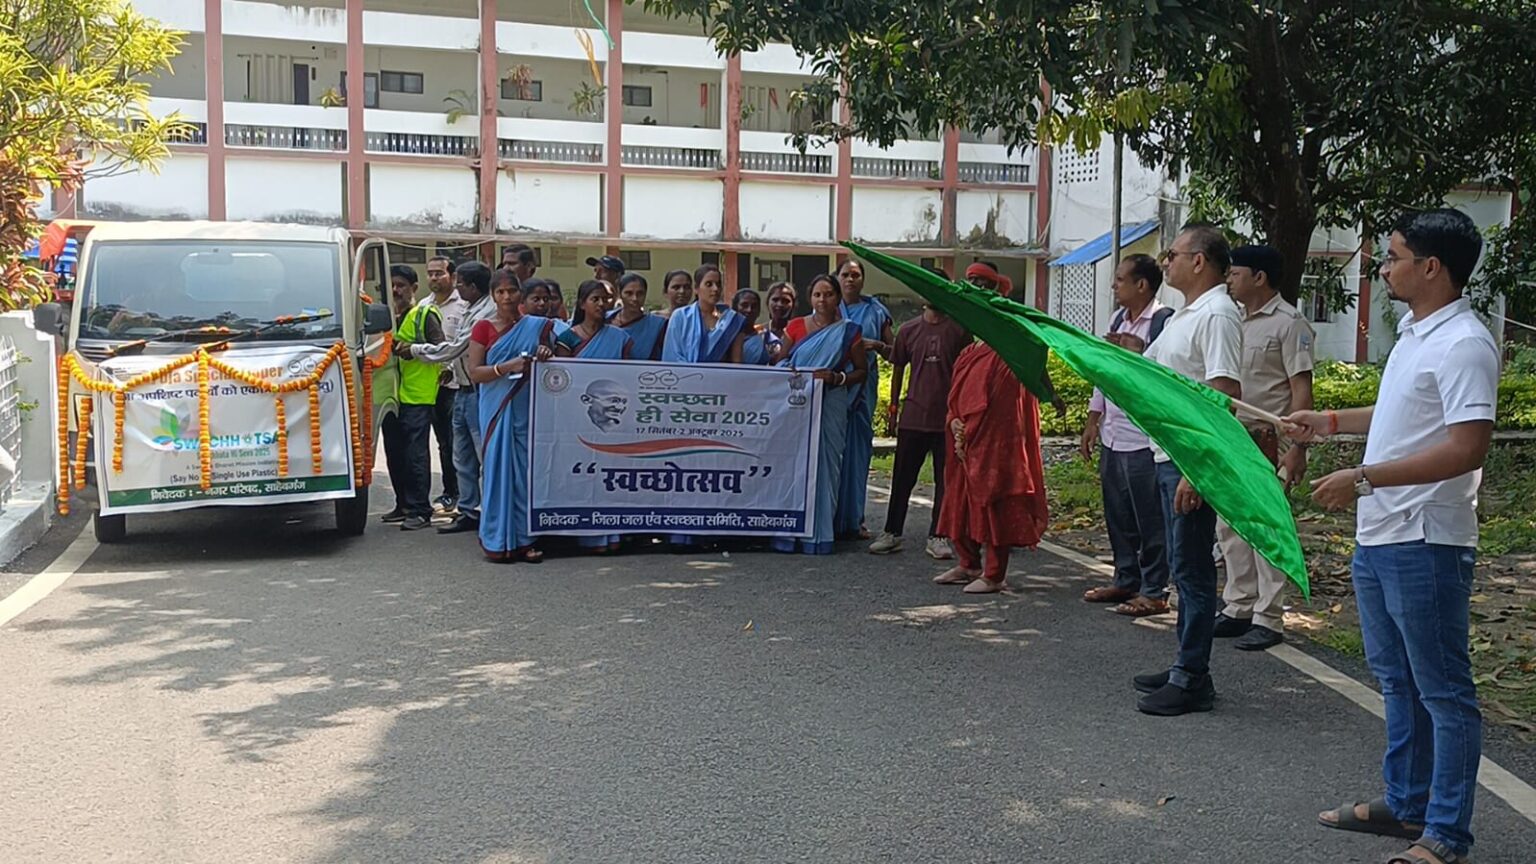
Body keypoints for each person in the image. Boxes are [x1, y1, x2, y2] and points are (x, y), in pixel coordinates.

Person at [1287, 209, 1494, 864]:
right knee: (1398, 681)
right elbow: (1404, 411)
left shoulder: (1466, 343)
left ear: (1431, 267)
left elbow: (1466, 446)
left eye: (1394, 256)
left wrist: (1367, 478)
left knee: (1443, 692)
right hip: (1381, 536)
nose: (1383, 267)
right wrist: (1327, 421)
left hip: (1426, 539)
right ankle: (1407, 806)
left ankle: (1445, 836)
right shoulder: (1416, 334)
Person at [1130, 224, 1244, 717]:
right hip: (1167, 454)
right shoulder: (1186, 315)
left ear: (1199, 261)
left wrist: (1199, 472)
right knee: (1183, 567)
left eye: (1172, 254)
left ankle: (1192, 676)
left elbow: (1224, 398)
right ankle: (1185, 660)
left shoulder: (1217, 313)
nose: (1165, 262)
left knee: (1194, 570)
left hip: (1187, 462)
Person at [1211, 244, 1315, 651]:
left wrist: (1297, 449)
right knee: (1231, 525)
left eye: (1236, 273)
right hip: (1235, 435)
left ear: (1260, 277)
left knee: (1266, 526)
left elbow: (1300, 390)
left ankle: (1269, 617)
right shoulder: (1232, 319)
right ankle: (1239, 605)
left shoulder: (1291, 324)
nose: (1229, 279)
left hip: (1269, 439)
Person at [931, 273, 1049, 594]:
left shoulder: (1009, 352)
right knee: (958, 497)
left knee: (993, 499)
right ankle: (968, 563)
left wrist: (967, 431)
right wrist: (955, 421)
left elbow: (1001, 405)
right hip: (963, 439)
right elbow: (955, 395)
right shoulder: (971, 351)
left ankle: (994, 573)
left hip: (992, 442)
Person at [1080, 255, 1174, 616]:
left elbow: (1169, 377)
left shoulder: (1164, 322)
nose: (1114, 285)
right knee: (1117, 512)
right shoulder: (1118, 319)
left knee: (1149, 516)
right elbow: (1106, 371)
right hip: (1113, 433)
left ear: (1142, 285)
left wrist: (1141, 352)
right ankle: (1125, 578)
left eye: (1120, 280)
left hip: (1144, 437)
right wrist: (1093, 418)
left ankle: (1154, 589)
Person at [774, 275, 869, 554]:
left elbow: (861, 371)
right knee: (795, 464)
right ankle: (790, 533)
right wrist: (794, 373)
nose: (822, 300)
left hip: (832, 402)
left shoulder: (850, 331)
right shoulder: (795, 327)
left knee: (828, 464)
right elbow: (779, 362)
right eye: (817, 294)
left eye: (828, 294)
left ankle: (820, 534)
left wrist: (837, 378)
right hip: (799, 405)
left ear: (837, 298)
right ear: (810, 298)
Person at [466, 269, 556, 563]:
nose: (506, 297)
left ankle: (524, 540)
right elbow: (475, 373)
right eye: (500, 292)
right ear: (492, 296)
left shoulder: (537, 326)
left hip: (527, 409)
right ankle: (497, 539)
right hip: (496, 409)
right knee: (497, 473)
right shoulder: (483, 327)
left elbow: (562, 352)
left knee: (524, 475)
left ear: (520, 294)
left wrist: (544, 352)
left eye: (512, 291)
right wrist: (507, 366)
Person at [402, 261, 498, 537]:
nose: (457, 287)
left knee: (483, 456)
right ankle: (468, 510)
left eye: (461, 284)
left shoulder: (485, 312)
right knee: (462, 456)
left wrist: (415, 350)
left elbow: (456, 347)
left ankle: (490, 512)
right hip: (461, 390)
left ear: (473, 286)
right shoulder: (469, 307)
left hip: (478, 393)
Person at [868, 301, 969, 559]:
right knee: (902, 478)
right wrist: (892, 408)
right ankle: (892, 532)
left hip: (946, 418)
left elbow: (967, 373)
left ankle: (939, 535)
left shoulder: (959, 330)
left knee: (944, 480)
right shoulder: (909, 330)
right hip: (913, 415)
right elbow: (898, 366)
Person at [553, 280, 635, 553]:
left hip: (612, 420)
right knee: (581, 474)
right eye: (595, 299)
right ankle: (583, 535)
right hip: (577, 418)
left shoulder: (619, 338)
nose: (602, 304)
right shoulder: (568, 338)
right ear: (582, 304)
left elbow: (625, 378)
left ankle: (609, 535)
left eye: (606, 300)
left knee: (608, 477)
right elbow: (565, 381)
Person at [379, 265, 445, 532]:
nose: (396, 290)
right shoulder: (383, 318)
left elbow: (441, 350)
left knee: (415, 454)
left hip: (418, 395)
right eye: (391, 286)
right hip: (390, 397)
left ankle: (420, 509)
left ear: (414, 289)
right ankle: (403, 504)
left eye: (401, 285)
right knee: (394, 453)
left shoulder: (424, 314)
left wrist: (414, 350)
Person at [835, 260, 894, 540]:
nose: (850, 280)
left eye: (855, 275)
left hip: (863, 386)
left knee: (857, 453)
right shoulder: (827, 308)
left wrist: (877, 345)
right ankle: (828, 517)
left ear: (863, 280)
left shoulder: (877, 311)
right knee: (831, 452)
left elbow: (895, 353)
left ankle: (854, 519)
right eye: (845, 275)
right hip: (834, 387)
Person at [420, 255, 466, 516]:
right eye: (430, 273)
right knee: (441, 442)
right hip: (430, 385)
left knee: (455, 442)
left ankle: (461, 492)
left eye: (439, 273)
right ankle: (450, 491)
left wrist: (449, 370)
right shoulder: (424, 306)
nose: (434, 278)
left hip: (457, 384)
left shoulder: (463, 305)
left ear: (453, 276)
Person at [660, 264, 746, 364]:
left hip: (720, 377)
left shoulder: (732, 320)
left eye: (718, 284)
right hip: (684, 376)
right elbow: (672, 356)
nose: (715, 289)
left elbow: (736, 362)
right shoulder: (680, 316)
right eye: (709, 284)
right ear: (696, 288)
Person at [610, 273, 668, 360]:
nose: (635, 298)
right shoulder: (606, 319)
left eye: (640, 293)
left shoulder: (657, 325)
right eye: (629, 293)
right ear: (619, 294)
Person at [734, 288, 782, 365]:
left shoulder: (768, 339)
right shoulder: (726, 337)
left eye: (754, 306)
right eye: (744, 305)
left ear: (759, 311)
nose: (749, 310)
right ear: (735, 309)